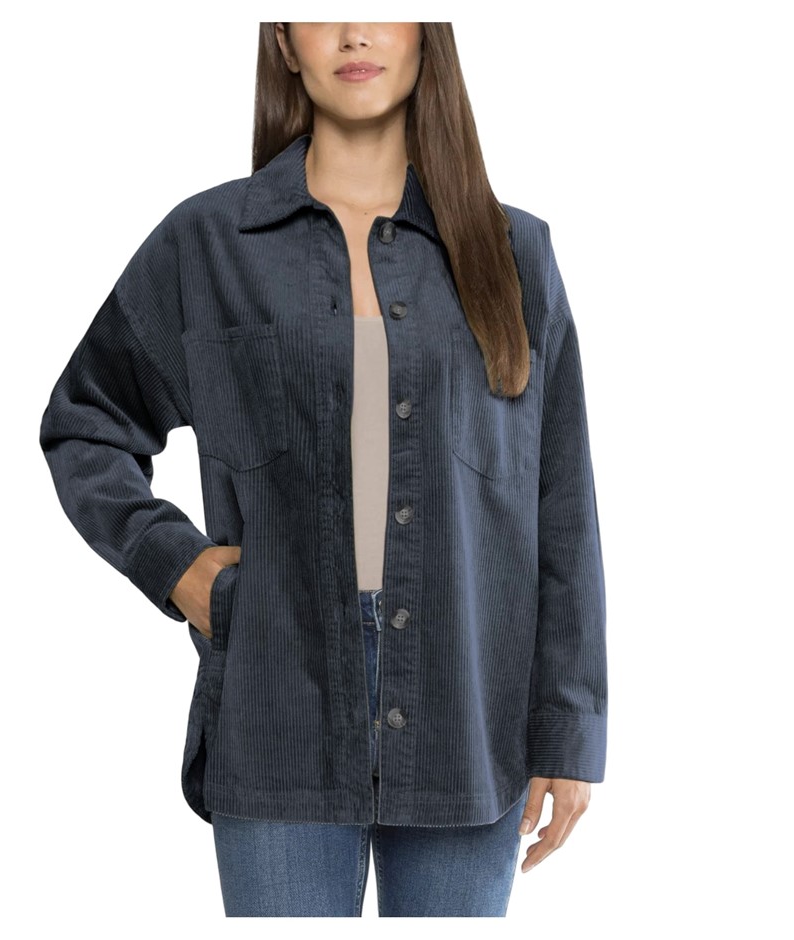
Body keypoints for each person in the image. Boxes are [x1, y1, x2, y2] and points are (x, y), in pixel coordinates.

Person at [39, 22, 607, 917]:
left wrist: (569, 733)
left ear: (428, 33)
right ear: (284, 42)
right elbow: (85, 424)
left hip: (470, 713)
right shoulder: (209, 243)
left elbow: (562, 506)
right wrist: (178, 568)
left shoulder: (515, 252)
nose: (354, 31)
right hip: (277, 702)